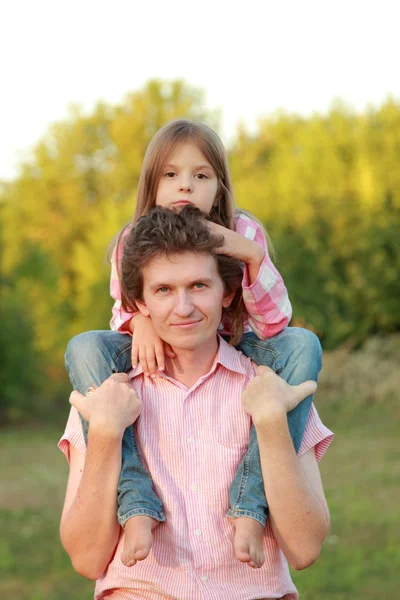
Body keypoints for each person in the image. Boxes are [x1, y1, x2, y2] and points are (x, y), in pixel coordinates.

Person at [64, 119, 323, 569]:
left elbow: (276, 323)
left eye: (200, 176)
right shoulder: (132, 238)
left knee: (304, 345)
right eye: (170, 174)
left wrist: (251, 255)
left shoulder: (243, 230)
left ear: (219, 188)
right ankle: (136, 501)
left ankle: (250, 504)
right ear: (151, 185)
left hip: (241, 344)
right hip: (149, 349)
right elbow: (124, 303)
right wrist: (140, 320)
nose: (185, 185)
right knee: (85, 347)